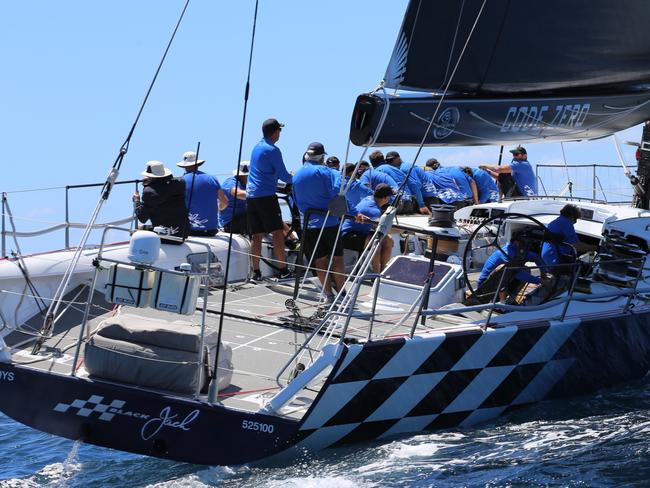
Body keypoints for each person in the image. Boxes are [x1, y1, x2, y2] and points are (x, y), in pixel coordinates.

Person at [292, 142, 345, 302]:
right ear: (322, 157)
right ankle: (341, 293)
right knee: (337, 258)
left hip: (308, 224)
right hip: (329, 222)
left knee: (319, 260)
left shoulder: (297, 174)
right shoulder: (325, 171)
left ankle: (328, 295)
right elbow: (337, 190)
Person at [247, 118, 293, 281]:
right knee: (278, 233)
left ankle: (256, 273)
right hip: (266, 197)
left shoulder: (256, 147)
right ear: (275, 132)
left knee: (257, 235)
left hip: (251, 197)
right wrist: (296, 178)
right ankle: (283, 270)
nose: (280, 133)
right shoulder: (273, 150)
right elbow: (284, 176)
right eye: (280, 130)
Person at [342, 183, 395, 273]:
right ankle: (376, 275)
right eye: (390, 197)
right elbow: (385, 228)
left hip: (359, 233)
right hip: (347, 236)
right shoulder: (374, 211)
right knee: (376, 242)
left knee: (388, 240)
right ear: (385, 198)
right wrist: (405, 230)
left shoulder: (369, 198)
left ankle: (384, 271)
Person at [476, 232, 543, 302]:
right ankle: (501, 303)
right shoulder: (507, 253)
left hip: (496, 282)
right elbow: (517, 273)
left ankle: (511, 299)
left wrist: (543, 272)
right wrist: (540, 281)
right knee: (505, 271)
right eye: (524, 242)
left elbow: (535, 257)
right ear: (516, 242)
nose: (526, 245)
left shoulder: (516, 250)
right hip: (485, 286)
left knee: (526, 269)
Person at [133, 161, 188, 244]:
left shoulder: (150, 192)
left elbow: (142, 217)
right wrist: (150, 184)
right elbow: (164, 187)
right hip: (182, 233)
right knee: (142, 227)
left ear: (151, 177)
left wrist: (136, 200)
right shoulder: (180, 184)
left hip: (165, 236)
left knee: (136, 230)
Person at [177, 151, 227, 237]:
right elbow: (224, 202)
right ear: (198, 164)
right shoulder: (212, 179)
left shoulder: (181, 181)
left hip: (189, 231)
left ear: (184, 166)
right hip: (211, 231)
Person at [541, 204, 582, 272]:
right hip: (556, 261)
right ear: (572, 216)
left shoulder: (554, 222)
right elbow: (577, 246)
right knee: (583, 267)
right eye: (575, 219)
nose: (575, 222)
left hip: (546, 260)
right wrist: (596, 248)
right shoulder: (566, 223)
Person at [219, 161, 249, 234]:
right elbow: (236, 193)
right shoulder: (231, 182)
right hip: (231, 222)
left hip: (242, 218)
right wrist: (259, 194)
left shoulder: (246, 184)